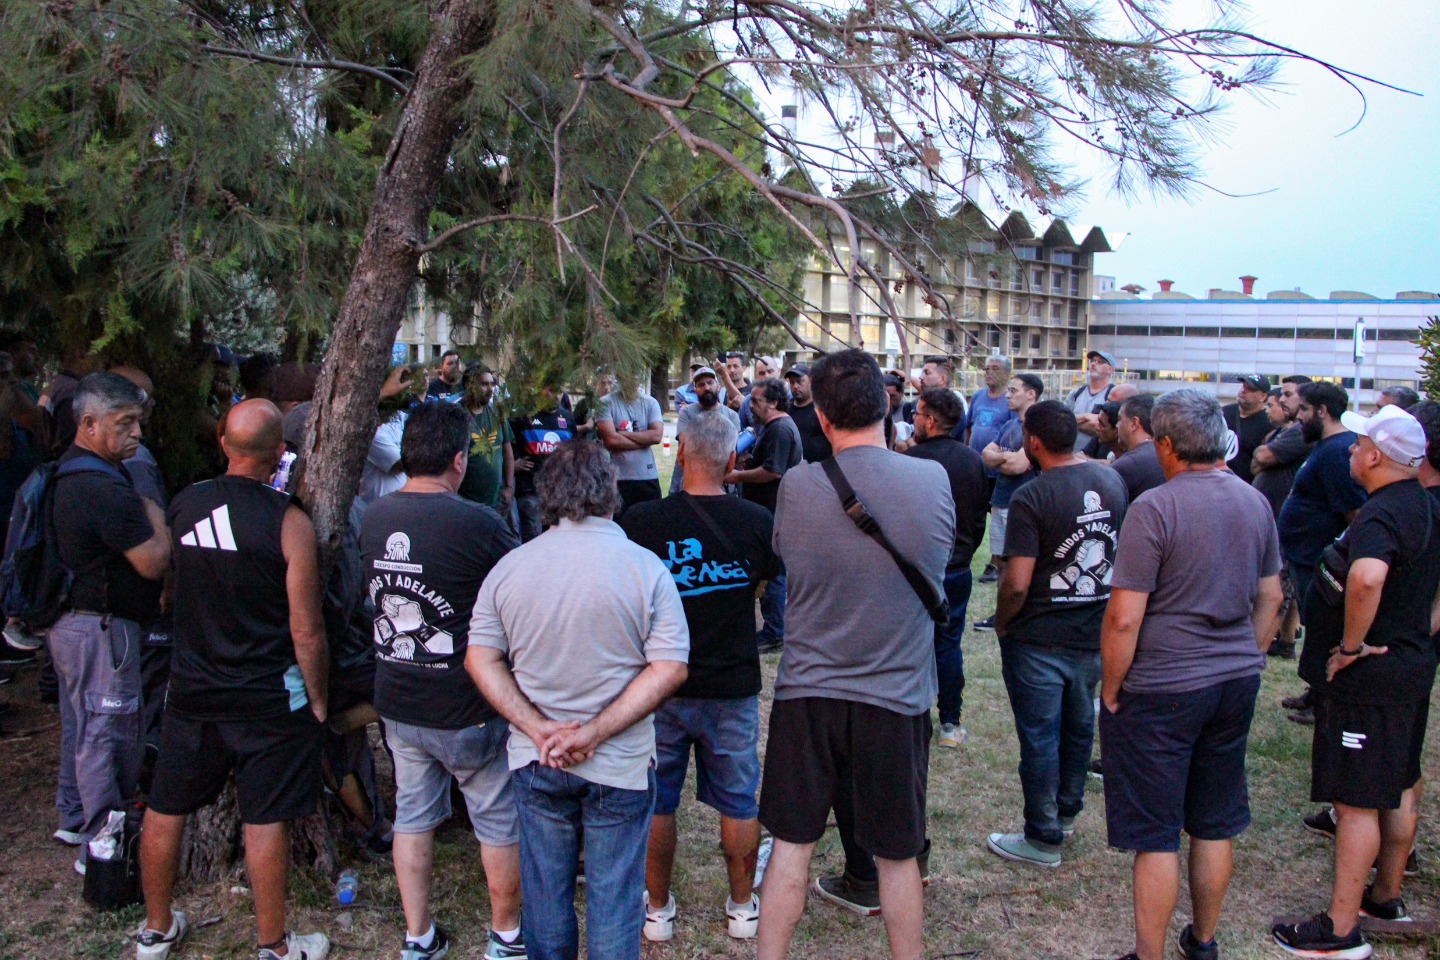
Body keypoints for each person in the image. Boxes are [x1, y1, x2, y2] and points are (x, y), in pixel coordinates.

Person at [757, 349, 952, 960]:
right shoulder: (932, 479)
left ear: (820, 413)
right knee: (898, 854)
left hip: (808, 691)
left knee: (791, 845)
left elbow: (787, 556)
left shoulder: (799, 485)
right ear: (886, 405)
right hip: (896, 695)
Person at [467, 440, 689, 960]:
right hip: (620, 764)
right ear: (611, 491)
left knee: (546, 896)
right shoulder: (644, 569)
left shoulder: (511, 568)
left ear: (547, 495)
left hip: (537, 758)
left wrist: (537, 728)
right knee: (614, 900)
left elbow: (480, 659)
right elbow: (670, 667)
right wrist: (594, 733)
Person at [138, 400, 329, 960]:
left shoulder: (186, 503)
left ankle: (155, 929)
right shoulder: (289, 521)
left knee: (165, 806)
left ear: (223, 444)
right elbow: (307, 628)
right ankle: (273, 945)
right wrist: (318, 697)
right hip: (267, 694)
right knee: (264, 818)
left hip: (191, 690)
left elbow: (170, 589)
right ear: (280, 454)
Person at [1097, 389, 1283, 960]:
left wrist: (1111, 687)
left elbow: (1124, 616)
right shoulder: (1254, 501)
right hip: (1233, 681)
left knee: (1156, 833)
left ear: (1166, 445)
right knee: (1213, 820)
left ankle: (1149, 953)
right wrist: (1248, 656)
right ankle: (1203, 940)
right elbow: (1272, 596)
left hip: (1163, 686)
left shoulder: (1155, 507)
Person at [1273, 405, 1440, 960]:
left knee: (1356, 801)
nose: (1350, 449)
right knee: (1399, 781)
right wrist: (1418, 629)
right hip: (1411, 667)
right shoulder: (1427, 503)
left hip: (1370, 680)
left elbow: (1366, 578)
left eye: (1359, 443)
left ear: (1375, 457)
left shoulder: (1381, 514)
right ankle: (1385, 898)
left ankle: (1340, 929)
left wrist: (1349, 648)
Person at [360, 402, 524, 960]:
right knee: (496, 819)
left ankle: (419, 934)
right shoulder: (478, 523)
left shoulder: (374, 515)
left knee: (413, 815)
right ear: (458, 461)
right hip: (466, 704)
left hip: (399, 698)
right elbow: (520, 591)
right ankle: (506, 935)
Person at [621, 413, 779, 942]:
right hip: (731, 682)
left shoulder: (641, 521)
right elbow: (764, 582)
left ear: (681, 453)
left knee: (657, 798)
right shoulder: (756, 521)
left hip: (660, 684)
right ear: (732, 460)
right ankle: (742, 907)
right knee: (739, 798)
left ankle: (657, 910)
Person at [988, 401, 1127, 867]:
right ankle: (1066, 813)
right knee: (1079, 728)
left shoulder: (1032, 496)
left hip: (1039, 636)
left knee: (1040, 737)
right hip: (1093, 631)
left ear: (1033, 442)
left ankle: (1043, 836)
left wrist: (1003, 620)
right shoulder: (1111, 481)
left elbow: (1018, 581)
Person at [47, 373, 171, 872]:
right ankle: (103, 848)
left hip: (73, 626)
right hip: (103, 629)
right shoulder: (104, 487)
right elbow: (154, 561)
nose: (137, 433)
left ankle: (75, 815)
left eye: (138, 421)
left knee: (81, 726)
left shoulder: (70, 471)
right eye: (125, 423)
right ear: (89, 423)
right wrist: (154, 511)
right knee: (108, 734)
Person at [1277, 382, 1367, 723]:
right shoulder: (1325, 447)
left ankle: (1325, 701)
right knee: (1314, 629)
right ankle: (1315, 691)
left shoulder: (1336, 452)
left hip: (1319, 557)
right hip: (1304, 554)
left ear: (1322, 411)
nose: (1299, 417)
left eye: (1304, 409)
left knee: (1323, 630)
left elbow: (1353, 511)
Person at [905, 387, 988, 748]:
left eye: (917, 414)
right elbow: (979, 517)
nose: (913, 420)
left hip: (916, 569)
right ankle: (950, 723)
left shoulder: (910, 461)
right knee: (949, 645)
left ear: (931, 421)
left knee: (911, 643)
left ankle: (912, 716)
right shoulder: (973, 461)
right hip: (956, 568)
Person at [727, 378, 802, 653]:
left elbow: (773, 471)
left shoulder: (780, 429)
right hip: (768, 511)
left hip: (773, 512)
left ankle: (774, 632)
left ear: (773, 402)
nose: (750, 406)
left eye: (756, 401)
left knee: (773, 573)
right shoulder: (772, 428)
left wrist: (737, 475)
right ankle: (772, 629)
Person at [975, 373, 1044, 630]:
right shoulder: (1009, 425)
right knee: (1002, 563)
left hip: (1022, 505)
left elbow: (1018, 466)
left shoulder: (1036, 428)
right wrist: (1007, 457)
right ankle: (1001, 614)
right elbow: (985, 455)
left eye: (1013, 390)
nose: (1007, 395)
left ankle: (1023, 616)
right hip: (1001, 501)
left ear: (1031, 394)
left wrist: (1001, 459)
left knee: (1021, 563)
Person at [509, 387, 579, 542]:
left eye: (559, 391)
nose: (556, 396)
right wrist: (513, 464)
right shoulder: (522, 415)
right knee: (533, 539)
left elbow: (575, 450)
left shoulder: (567, 417)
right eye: (551, 390)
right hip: (530, 491)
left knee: (559, 541)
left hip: (560, 493)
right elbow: (506, 444)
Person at [597, 375, 664, 515]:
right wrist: (644, 441)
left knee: (650, 522)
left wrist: (623, 434)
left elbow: (656, 436)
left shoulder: (651, 403)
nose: (632, 379)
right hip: (617, 478)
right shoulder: (605, 403)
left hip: (647, 476)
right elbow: (611, 440)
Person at [668, 366, 739, 495]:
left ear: (718, 387)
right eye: (701, 385)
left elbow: (732, 449)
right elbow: (688, 447)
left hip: (721, 486)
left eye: (710, 383)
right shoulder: (687, 412)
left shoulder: (731, 415)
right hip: (687, 483)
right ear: (695, 390)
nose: (706, 388)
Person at [458, 365, 516, 514]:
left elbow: (507, 451)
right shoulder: (457, 414)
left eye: (492, 384)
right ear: (469, 385)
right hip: (466, 502)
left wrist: (509, 487)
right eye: (484, 384)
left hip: (497, 500)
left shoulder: (497, 412)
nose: (490, 390)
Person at [1110, 395, 1166, 502]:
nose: (1117, 425)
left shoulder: (1127, 465)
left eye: (1119, 419)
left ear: (1134, 423)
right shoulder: (1166, 454)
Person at [1222, 374, 1272, 484]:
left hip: (1243, 484)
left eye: (1250, 389)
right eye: (1243, 386)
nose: (1243, 391)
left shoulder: (1268, 423)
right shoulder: (1223, 413)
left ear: (1263, 397)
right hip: (1217, 479)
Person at [1068, 350, 1117, 451]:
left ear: (1110, 369)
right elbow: (1063, 421)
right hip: (1073, 453)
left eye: (1100, 362)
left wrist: (1073, 421)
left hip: (1097, 456)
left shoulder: (1114, 395)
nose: (1094, 364)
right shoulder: (1076, 393)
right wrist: (1087, 417)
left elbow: (1107, 429)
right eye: (1092, 361)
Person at [783, 362, 833, 462]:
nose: (795, 386)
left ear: (811, 381)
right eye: (792, 382)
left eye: (799, 381)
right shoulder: (785, 409)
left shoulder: (823, 409)